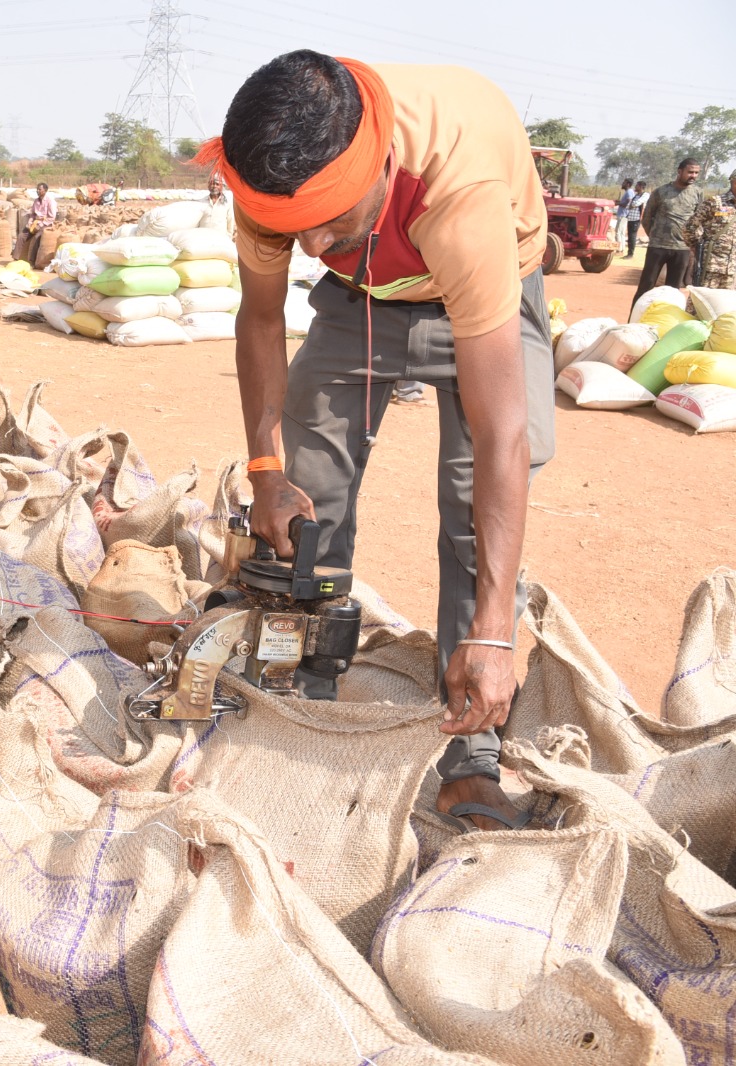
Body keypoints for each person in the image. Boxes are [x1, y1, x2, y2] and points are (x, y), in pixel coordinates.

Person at [202, 50, 555, 833]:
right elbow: (261, 319)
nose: (308, 245)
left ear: (382, 166)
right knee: (308, 494)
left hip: (484, 289)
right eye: (292, 230)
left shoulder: (460, 198)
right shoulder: (275, 187)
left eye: (328, 222)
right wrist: (265, 473)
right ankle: (307, 690)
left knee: (477, 519)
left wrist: (495, 632)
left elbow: (503, 431)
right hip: (363, 296)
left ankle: (472, 757)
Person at [633, 158, 704, 304]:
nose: (693, 176)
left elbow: (699, 220)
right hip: (658, 247)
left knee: (672, 292)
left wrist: (692, 244)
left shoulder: (697, 193)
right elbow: (647, 217)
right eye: (690, 172)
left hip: (682, 249)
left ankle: (665, 324)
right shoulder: (661, 192)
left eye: (696, 173)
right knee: (646, 287)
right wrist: (654, 237)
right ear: (679, 172)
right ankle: (633, 322)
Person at [685, 170, 736, 289]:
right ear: (734, 182)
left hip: (732, 271)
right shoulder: (715, 202)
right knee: (700, 303)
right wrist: (695, 247)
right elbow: (689, 227)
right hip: (710, 267)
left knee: (726, 306)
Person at [15, 182, 56, 262]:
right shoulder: (36, 201)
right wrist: (29, 223)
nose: (37, 191)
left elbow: (51, 217)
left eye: (40, 189)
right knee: (21, 236)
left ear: (45, 190)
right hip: (35, 223)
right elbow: (33, 215)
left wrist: (40, 225)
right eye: (37, 189)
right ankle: (16, 257)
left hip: (45, 224)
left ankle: (32, 261)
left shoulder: (50, 201)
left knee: (37, 237)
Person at [198, 171, 236, 236]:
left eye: (217, 184)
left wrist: (228, 237)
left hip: (220, 240)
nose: (214, 186)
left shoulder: (227, 204)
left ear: (222, 186)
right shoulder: (202, 202)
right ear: (208, 185)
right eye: (212, 183)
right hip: (203, 238)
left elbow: (230, 222)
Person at [624, 179, 648, 259]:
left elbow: (636, 203)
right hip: (630, 218)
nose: (635, 187)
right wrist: (631, 205)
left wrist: (632, 204)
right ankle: (629, 253)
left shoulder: (645, 195)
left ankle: (631, 254)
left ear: (641, 187)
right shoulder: (636, 195)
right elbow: (629, 205)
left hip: (637, 219)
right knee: (630, 236)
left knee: (633, 236)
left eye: (637, 186)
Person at [613, 178, 633, 251]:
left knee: (618, 232)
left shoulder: (629, 192)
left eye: (624, 183)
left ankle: (619, 249)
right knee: (621, 232)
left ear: (628, 184)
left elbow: (627, 203)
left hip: (623, 215)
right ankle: (621, 248)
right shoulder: (628, 192)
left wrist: (618, 203)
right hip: (623, 215)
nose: (622, 184)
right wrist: (619, 201)